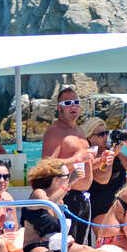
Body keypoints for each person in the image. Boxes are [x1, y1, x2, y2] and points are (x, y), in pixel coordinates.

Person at [41, 88, 94, 243]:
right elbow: (46, 166)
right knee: (68, 249)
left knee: (82, 246)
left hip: (83, 198)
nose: (73, 106)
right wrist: (76, 158)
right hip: (66, 197)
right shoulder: (54, 132)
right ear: (59, 108)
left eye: (76, 102)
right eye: (68, 103)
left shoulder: (79, 130)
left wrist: (100, 162)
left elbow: (83, 163)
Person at [86, 119, 127, 228]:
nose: (105, 137)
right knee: (111, 238)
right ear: (89, 137)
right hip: (100, 205)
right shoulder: (90, 155)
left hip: (117, 203)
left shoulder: (110, 150)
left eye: (107, 133)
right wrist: (112, 155)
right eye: (101, 134)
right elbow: (103, 179)